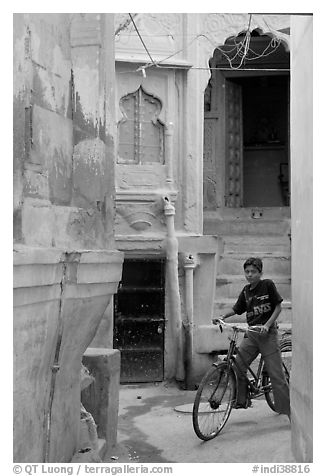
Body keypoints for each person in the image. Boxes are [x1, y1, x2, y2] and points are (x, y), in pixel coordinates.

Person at [213, 257, 290, 418]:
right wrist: (222, 316)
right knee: (237, 367)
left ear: (260, 273)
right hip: (252, 335)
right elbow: (237, 309)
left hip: (267, 335)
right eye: (247, 272)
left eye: (253, 272)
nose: (249, 275)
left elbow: (278, 307)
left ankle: (287, 412)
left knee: (277, 377)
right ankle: (242, 401)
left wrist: (267, 325)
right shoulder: (246, 291)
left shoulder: (267, 285)